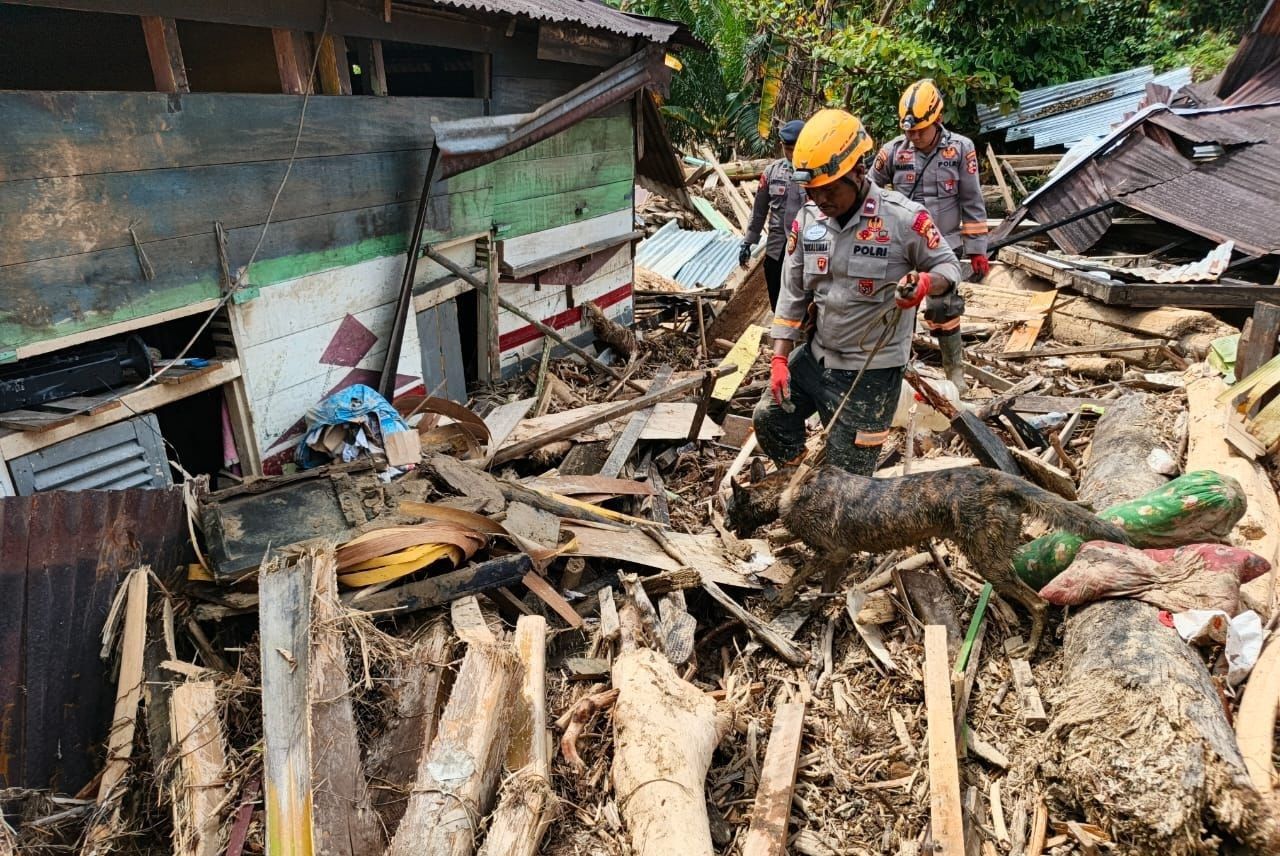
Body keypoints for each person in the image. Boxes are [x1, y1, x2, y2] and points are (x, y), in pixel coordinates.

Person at [753, 109, 961, 476]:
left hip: (871, 373)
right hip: (817, 359)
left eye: (830, 189)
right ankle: (803, 483)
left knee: (847, 477)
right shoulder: (808, 220)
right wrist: (780, 359)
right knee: (768, 418)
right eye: (813, 192)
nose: (821, 200)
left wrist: (926, 284)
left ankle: (829, 500)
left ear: (859, 172)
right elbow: (792, 292)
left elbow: (948, 267)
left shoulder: (903, 219)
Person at [871, 79, 988, 391]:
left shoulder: (961, 150)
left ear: (936, 119)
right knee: (896, 305)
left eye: (919, 130)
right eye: (908, 131)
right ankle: (895, 374)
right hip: (901, 247)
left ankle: (954, 372)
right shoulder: (892, 152)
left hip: (943, 245)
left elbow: (971, 199)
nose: (913, 136)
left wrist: (977, 248)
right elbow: (868, 191)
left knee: (943, 308)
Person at [739, 119, 807, 310]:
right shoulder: (772, 172)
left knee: (804, 290)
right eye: (788, 148)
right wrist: (748, 241)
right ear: (782, 146)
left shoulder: (815, 172)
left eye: (796, 148)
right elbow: (759, 210)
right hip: (777, 244)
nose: (792, 154)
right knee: (774, 284)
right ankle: (779, 326)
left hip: (805, 244)